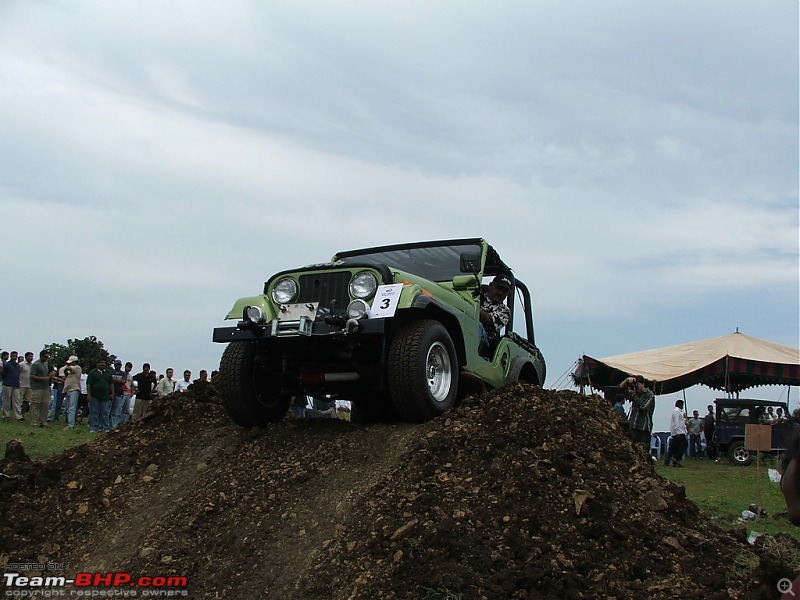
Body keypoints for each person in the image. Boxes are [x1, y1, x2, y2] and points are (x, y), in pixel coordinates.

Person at [478, 274, 512, 357]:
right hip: (463, 321)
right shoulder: (476, 294)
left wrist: (470, 307)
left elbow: (488, 320)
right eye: (498, 288)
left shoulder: (504, 311)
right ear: (490, 285)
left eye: (504, 291)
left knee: (476, 325)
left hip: (484, 340)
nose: (500, 293)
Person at [619, 375, 655, 451]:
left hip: (643, 428)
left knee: (643, 451)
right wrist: (627, 380)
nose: (636, 387)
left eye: (638, 385)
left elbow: (643, 407)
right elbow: (620, 389)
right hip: (633, 426)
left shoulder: (649, 394)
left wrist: (634, 395)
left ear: (643, 384)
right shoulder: (635, 393)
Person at [86, 358, 114, 432]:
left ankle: (105, 427)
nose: (103, 364)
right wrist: (89, 394)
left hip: (105, 396)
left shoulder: (108, 372)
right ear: (97, 364)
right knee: (94, 412)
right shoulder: (92, 372)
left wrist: (113, 393)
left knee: (105, 412)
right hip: (95, 396)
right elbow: (89, 384)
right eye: (101, 363)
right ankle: (93, 427)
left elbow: (111, 383)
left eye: (104, 363)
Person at [29, 350, 53, 427]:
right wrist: (43, 378)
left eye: (48, 357)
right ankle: (34, 422)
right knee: (35, 405)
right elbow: (32, 376)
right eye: (45, 357)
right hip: (36, 388)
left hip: (45, 387)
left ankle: (43, 421)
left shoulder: (46, 364)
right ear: (41, 356)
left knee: (45, 405)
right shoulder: (36, 364)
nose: (47, 359)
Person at [664, 399, 689, 467]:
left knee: (673, 447)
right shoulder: (677, 411)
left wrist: (685, 419)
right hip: (679, 432)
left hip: (677, 432)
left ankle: (667, 461)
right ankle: (676, 458)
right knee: (684, 444)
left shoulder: (678, 412)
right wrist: (678, 432)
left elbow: (681, 421)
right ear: (680, 405)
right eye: (682, 405)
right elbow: (676, 422)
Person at [62, 355, 82, 430]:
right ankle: (69, 423)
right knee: (68, 408)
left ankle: (71, 425)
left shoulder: (77, 368)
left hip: (74, 389)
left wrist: (66, 366)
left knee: (72, 408)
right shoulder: (70, 370)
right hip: (68, 389)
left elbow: (67, 368)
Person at [2, 351, 22, 420]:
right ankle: (6, 415)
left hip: (16, 385)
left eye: (16, 356)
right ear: (11, 356)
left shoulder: (18, 366)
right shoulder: (7, 364)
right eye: (13, 356)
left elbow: (18, 374)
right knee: (6, 401)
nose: (15, 357)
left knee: (17, 401)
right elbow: (3, 374)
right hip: (7, 384)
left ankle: (18, 416)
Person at [110, 360, 128, 428]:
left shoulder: (123, 374)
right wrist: (118, 381)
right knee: (108, 410)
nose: (118, 366)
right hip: (110, 393)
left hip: (119, 393)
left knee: (116, 411)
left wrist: (113, 379)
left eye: (119, 365)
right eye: (117, 365)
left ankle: (113, 425)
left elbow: (123, 381)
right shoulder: (110, 372)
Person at [19, 352, 33, 417]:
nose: (31, 358)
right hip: (21, 384)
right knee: (19, 400)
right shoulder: (21, 364)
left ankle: (22, 414)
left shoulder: (32, 365)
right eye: (30, 356)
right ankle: (17, 414)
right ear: (26, 357)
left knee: (27, 400)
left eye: (32, 356)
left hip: (29, 385)